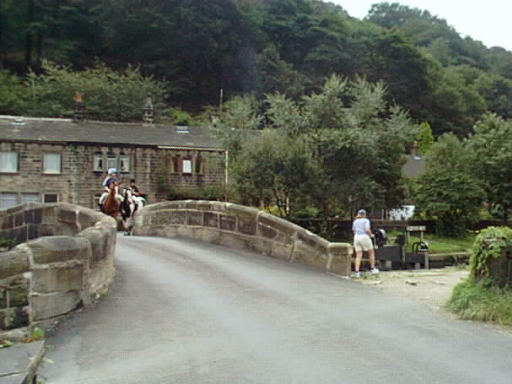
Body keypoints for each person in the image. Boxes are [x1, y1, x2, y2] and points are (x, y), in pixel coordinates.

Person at [352, 209, 379, 278]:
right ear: (364, 215)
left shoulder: (355, 221)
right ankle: (372, 268)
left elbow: (354, 231)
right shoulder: (366, 221)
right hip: (364, 236)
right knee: (371, 252)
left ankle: (357, 272)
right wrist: (371, 235)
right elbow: (367, 229)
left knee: (358, 255)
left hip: (356, 237)